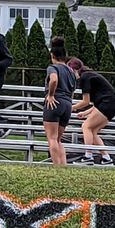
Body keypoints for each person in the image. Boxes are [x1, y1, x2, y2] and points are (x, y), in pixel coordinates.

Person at [68, 57, 115, 166]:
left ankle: (88, 156)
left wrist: (69, 107)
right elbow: (97, 102)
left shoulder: (85, 77)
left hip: (107, 104)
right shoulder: (89, 75)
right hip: (110, 105)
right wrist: (85, 113)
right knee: (92, 131)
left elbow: (85, 102)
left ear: (74, 70)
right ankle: (107, 158)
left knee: (86, 126)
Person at [43, 37, 77, 166]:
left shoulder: (53, 67)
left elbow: (54, 80)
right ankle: (63, 166)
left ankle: (56, 167)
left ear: (52, 55)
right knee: (58, 139)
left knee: (51, 138)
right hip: (67, 103)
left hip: (55, 102)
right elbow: (73, 89)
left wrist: (51, 95)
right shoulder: (71, 71)